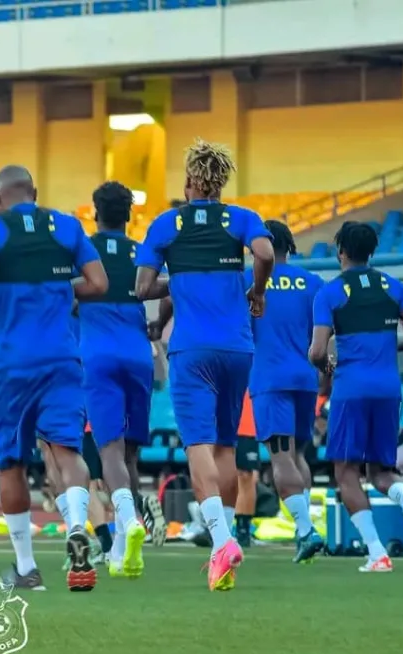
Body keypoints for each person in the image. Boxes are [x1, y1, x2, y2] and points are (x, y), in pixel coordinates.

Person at [0, 164, 108, 592]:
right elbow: (99, 282)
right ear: (35, 193)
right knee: (65, 449)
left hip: (10, 363)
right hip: (61, 356)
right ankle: (78, 526)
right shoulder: (67, 226)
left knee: (12, 462)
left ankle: (27, 569)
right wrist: (57, 289)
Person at [135, 139, 275, 592]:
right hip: (237, 348)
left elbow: (141, 288)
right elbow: (266, 254)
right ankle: (225, 545)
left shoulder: (165, 224)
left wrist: (180, 278)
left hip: (191, 351)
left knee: (197, 444)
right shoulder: (242, 219)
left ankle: (221, 541)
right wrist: (256, 290)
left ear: (192, 180)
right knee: (225, 446)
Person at [308, 221, 403, 573]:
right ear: (372, 252)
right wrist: (397, 345)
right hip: (388, 388)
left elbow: (317, 351)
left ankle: (377, 552)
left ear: (341, 252)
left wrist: (330, 368)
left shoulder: (330, 293)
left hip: (351, 389)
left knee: (346, 471)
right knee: (381, 471)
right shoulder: (393, 287)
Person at [76, 180, 153, 579]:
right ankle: (123, 548)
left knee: (108, 452)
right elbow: (171, 287)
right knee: (131, 456)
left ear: (95, 211)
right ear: (128, 215)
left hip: (98, 356)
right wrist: (158, 323)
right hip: (139, 354)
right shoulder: (143, 253)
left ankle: (129, 524)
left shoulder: (82, 251)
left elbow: (65, 296)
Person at [245, 219, 324, 562]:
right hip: (306, 378)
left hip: (270, 379)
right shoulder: (314, 283)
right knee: (299, 456)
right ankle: (302, 529)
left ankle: (306, 530)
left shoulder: (251, 281)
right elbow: (324, 334)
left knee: (280, 458)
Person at [234, 392, 259, 548]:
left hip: (246, 425)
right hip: (225, 420)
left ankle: (243, 529)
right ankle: (216, 526)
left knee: (246, 476)